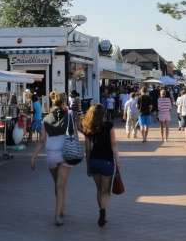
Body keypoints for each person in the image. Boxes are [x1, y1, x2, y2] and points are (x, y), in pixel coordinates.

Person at [30, 92, 75, 226]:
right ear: (64, 102)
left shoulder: (46, 119)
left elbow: (42, 140)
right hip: (65, 154)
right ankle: (57, 215)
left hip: (51, 156)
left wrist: (33, 157)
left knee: (58, 185)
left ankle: (61, 209)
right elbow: (75, 133)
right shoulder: (69, 116)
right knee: (61, 185)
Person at [83, 103, 119, 227]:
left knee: (99, 189)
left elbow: (87, 150)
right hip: (107, 161)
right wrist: (118, 162)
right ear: (103, 114)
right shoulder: (109, 126)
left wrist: (88, 165)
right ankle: (103, 213)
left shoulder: (88, 128)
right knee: (105, 191)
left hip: (94, 161)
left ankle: (101, 211)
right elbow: (114, 145)